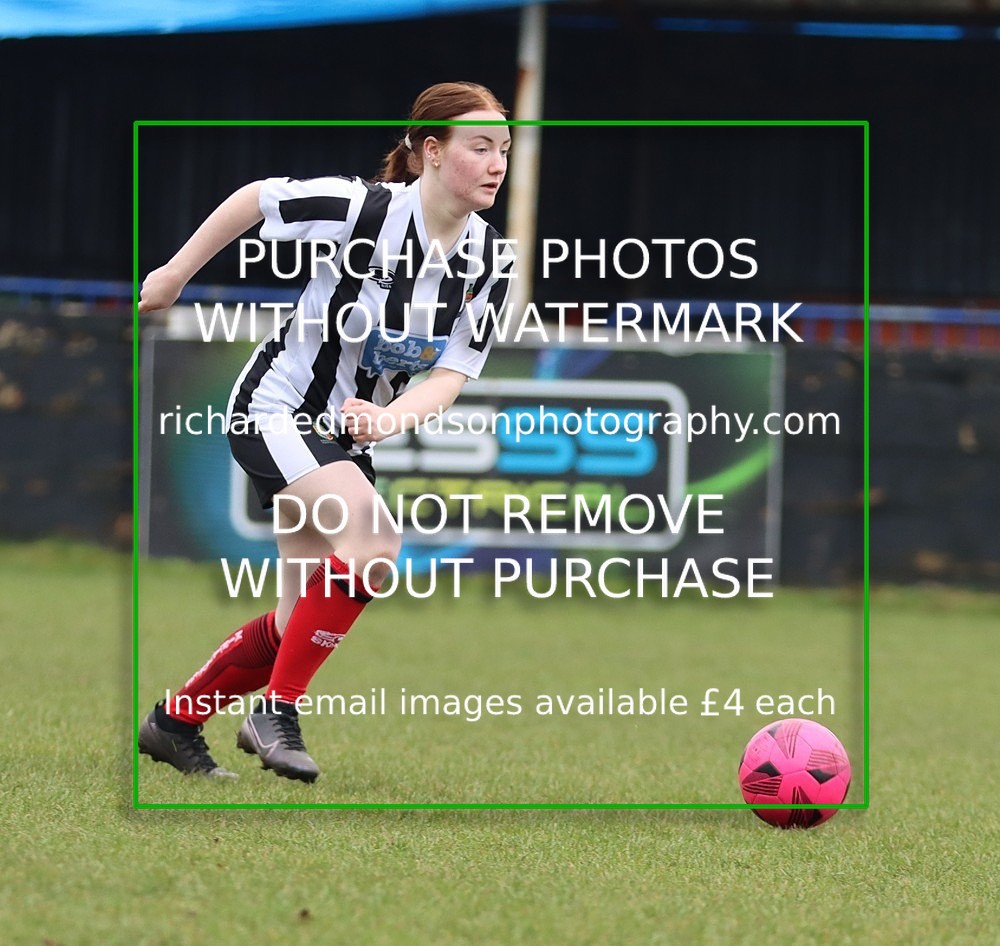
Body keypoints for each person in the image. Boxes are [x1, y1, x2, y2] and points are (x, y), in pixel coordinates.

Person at [137, 81, 514, 783]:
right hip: (275, 409)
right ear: (431, 152)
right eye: (480, 147)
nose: (496, 164)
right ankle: (275, 711)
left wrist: (385, 419)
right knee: (374, 543)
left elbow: (451, 376)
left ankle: (175, 722)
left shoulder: (493, 262)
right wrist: (174, 273)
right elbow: (255, 198)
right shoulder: (361, 208)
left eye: (504, 150)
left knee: (294, 623)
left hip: (341, 438)